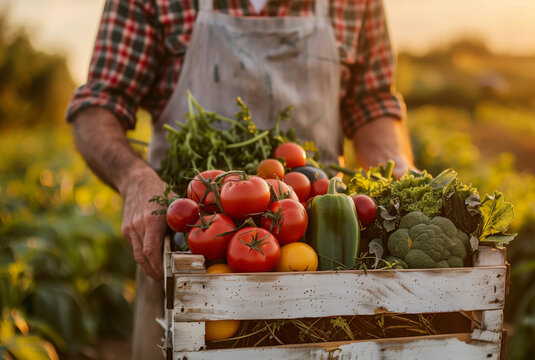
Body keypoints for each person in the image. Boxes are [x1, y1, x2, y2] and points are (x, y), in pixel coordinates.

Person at [67, 0, 414, 358]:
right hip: (190, 244)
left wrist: (397, 168)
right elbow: (100, 103)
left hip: (319, 244)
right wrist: (137, 179)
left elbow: (371, 104)